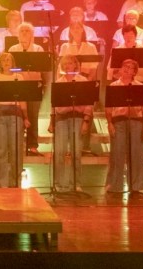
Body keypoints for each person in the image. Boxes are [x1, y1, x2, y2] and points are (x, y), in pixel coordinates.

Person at [105, 59, 143, 196]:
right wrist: (109, 123)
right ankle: (114, 186)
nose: (126, 69)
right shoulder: (113, 86)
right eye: (125, 66)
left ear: (134, 72)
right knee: (117, 153)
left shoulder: (139, 86)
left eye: (130, 67)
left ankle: (136, 186)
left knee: (136, 154)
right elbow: (108, 107)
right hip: (118, 121)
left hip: (136, 121)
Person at [49, 55, 92, 192]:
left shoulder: (83, 81)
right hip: (61, 118)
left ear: (75, 65)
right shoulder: (59, 82)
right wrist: (51, 121)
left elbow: (89, 103)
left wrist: (86, 120)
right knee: (60, 152)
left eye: (70, 63)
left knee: (76, 152)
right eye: (65, 64)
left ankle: (76, 183)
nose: (68, 66)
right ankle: (60, 183)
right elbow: (53, 104)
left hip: (77, 118)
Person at [0, 52, 29, 188]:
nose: (6, 62)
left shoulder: (19, 77)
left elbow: (23, 99)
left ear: (13, 63)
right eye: (3, 60)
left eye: (8, 60)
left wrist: (26, 117)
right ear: (0, 63)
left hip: (15, 114)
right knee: (0, 150)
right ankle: (2, 184)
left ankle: (15, 182)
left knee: (16, 149)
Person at [8, 22, 46, 157]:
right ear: (18, 34)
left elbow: (42, 68)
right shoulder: (13, 49)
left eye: (27, 31)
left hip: (34, 85)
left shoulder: (38, 49)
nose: (24, 33)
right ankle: (16, 145)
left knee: (33, 115)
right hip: (18, 85)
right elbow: (10, 68)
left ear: (32, 34)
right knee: (17, 114)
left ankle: (32, 146)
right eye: (22, 31)